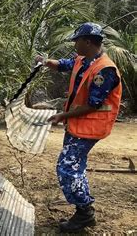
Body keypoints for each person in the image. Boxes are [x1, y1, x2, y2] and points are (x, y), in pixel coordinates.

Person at [35, 22, 122, 232]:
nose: (75, 45)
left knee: (67, 168)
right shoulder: (83, 60)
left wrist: (61, 115)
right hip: (77, 124)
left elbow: (93, 104)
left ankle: (84, 212)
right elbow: (64, 64)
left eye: (77, 41)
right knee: (75, 166)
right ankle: (84, 210)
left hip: (90, 126)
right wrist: (45, 62)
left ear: (88, 42)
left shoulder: (105, 70)